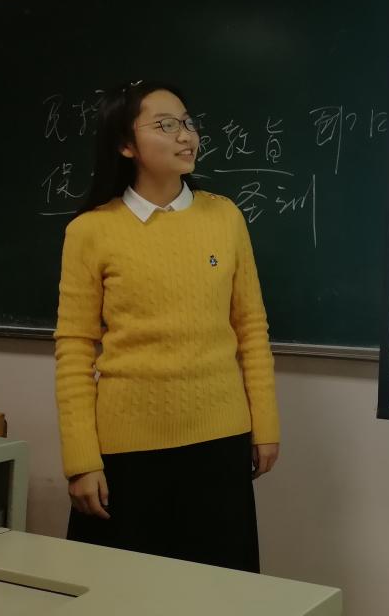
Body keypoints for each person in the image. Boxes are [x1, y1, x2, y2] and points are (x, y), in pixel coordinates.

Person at [54, 81, 280, 573]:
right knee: (122, 593)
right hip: (127, 452)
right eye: (166, 125)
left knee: (219, 594)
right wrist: (81, 459)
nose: (186, 135)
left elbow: (251, 328)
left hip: (220, 442)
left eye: (188, 123)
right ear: (125, 144)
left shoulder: (225, 216)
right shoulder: (91, 230)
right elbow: (73, 349)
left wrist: (265, 424)